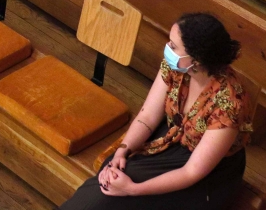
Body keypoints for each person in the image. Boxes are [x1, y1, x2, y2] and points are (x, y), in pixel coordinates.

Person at [59, 13, 252, 209]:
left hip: (207, 171)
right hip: (170, 138)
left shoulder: (230, 103)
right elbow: (147, 117)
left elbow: (191, 172)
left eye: (174, 46)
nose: (168, 49)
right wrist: (121, 152)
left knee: (118, 194)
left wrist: (133, 189)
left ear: (197, 59)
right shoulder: (176, 67)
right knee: (108, 181)